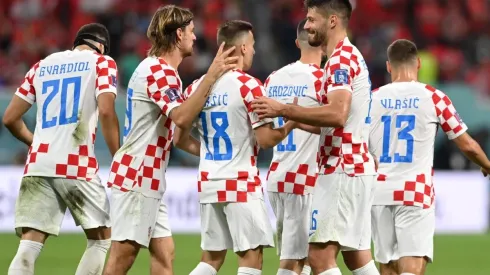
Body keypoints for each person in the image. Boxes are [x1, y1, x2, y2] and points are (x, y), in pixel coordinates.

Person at [102, 5, 238, 275]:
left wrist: (213, 153)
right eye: (191, 31)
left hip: (148, 177)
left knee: (164, 255)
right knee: (122, 258)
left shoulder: (160, 71)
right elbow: (181, 118)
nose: (195, 37)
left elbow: (177, 136)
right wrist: (211, 76)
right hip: (138, 177)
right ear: (178, 34)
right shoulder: (159, 71)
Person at [252, 0, 380, 274]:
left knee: (319, 256)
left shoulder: (340, 60)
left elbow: (337, 115)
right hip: (353, 165)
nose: (307, 25)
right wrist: (295, 120)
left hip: (342, 167)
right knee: (356, 255)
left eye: (311, 19)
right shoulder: (345, 57)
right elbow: (335, 124)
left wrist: (283, 108)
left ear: (332, 21)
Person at [174, 20, 297, 275]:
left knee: (211, 259)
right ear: (242, 48)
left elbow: (179, 140)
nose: (253, 51)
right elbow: (265, 140)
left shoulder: (197, 87)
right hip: (240, 182)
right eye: (251, 46)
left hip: (208, 182)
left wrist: (210, 150)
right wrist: (290, 124)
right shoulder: (249, 86)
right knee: (251, 259)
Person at [3, 23, 119, 275]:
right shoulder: (102, 62)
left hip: (38, 162)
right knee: (100, 238)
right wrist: (118, 156)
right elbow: (108, 110)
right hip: (76, 160)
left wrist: (34, 142)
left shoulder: (41, 66)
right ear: (101, 46)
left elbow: (10, 118)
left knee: (29, 243)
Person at [368, 39, 490, 275]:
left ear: (388, 66)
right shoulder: (434, 97)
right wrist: (486, 165)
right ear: (420, 63)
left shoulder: (371, 99)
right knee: (413, 268)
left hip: (378, 191)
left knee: (388, 266)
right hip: (415, 191)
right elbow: (467, 145)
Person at [264, 18, 323, 275]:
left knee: (307, 259)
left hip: (278, 175)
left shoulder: (273, 79)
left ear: (297, 42)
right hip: (305, 179)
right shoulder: (324, 81)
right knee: (294, 261)